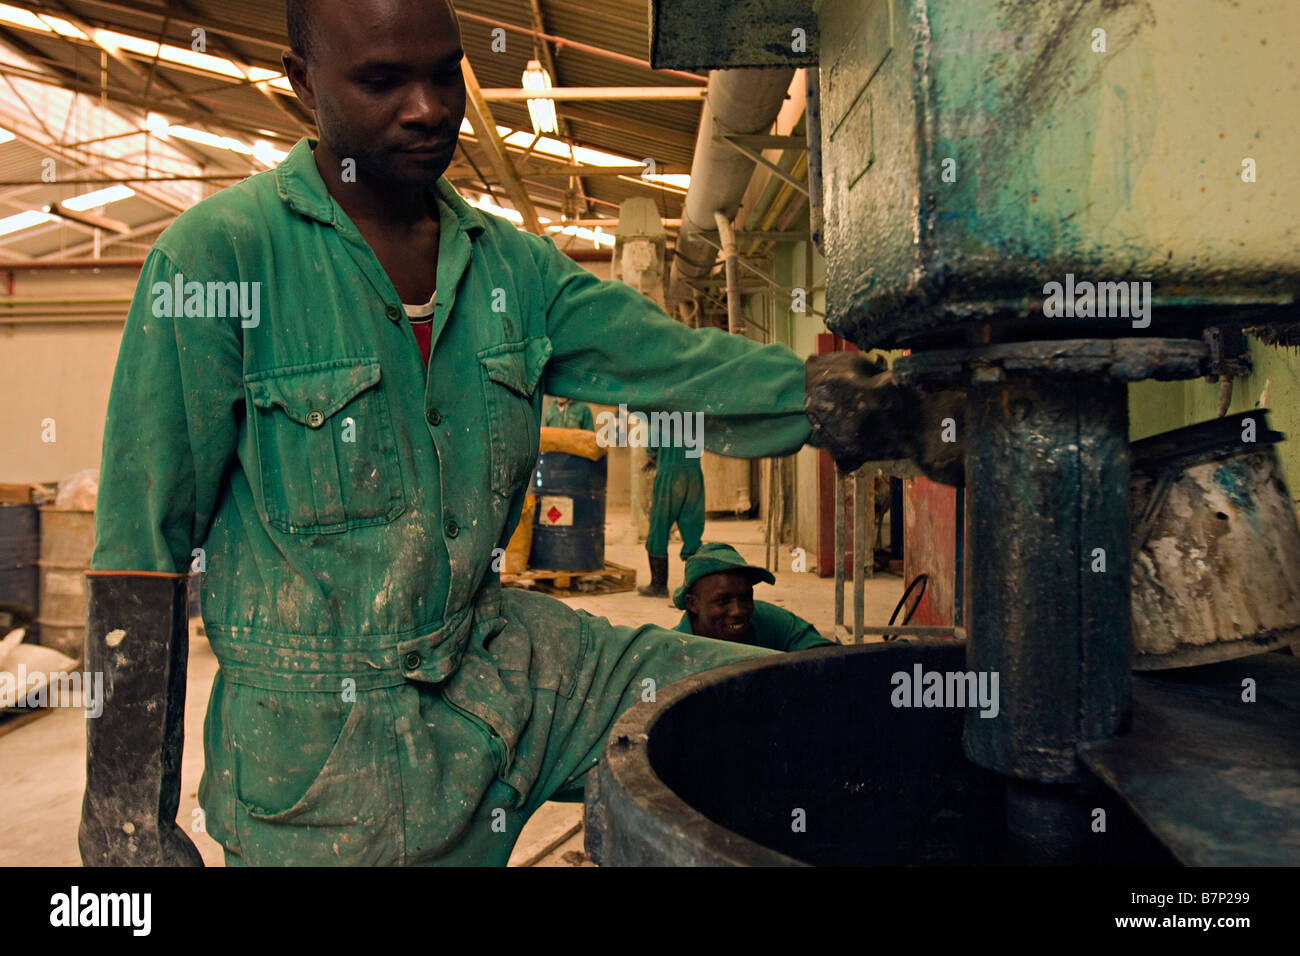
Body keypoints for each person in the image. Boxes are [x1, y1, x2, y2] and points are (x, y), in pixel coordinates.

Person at [79, 0, 956, 868]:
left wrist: (864, 404)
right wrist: (125, 821)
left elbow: (670, 365)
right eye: (383, 80)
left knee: (777, 701)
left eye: (443, 73)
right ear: (302, 82)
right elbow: (139, 546)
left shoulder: (510, 265)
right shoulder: (218, 261)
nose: (427, 108)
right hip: (325, 751)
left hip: (501, 663)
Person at [673, 543, 834, 652]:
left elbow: (830, 659)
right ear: (693, 604)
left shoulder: (772, 621)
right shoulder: (671, 650)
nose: (737, 611)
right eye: (723, 601)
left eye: (745, 597)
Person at [636, 443, 705, 598]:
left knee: (658, 527)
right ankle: (697, 587)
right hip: (694, 474)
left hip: (669, 474)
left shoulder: (660, 419)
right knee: (693, 529)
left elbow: (652, 448)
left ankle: (658, 586)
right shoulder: (697, 418)